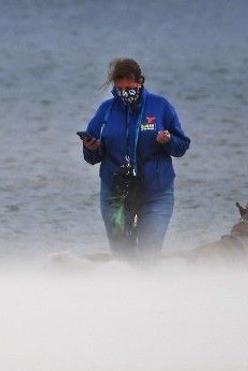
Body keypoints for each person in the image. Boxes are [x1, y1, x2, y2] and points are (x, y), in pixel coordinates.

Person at [81, 58, 190, 260]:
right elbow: (91, 157)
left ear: (140, 81)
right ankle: (124, 289)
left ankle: (149, 287)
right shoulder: (106, 110)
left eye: (129, 87)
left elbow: (181, 146)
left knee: (148, 254)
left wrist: (167, 140)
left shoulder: (161, 106)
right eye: (119, 88)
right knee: (123, 256)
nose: (125, 93)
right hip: (116, 193)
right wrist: (90, 148)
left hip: (156, 191)